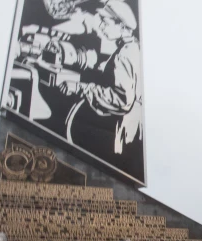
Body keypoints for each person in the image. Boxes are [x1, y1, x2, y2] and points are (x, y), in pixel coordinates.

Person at [59, 0, 143, 179]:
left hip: (122, 134)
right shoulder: (130, 48)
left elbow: (122, 100)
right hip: (128, 131)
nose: (102, 26)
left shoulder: (125, 55)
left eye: (106, 22)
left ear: (122, 27)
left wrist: (81, 88)